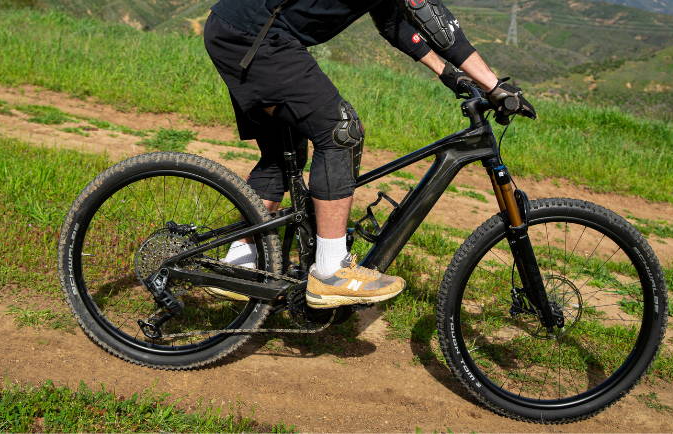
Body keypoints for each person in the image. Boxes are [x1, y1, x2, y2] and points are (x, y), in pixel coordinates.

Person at [203, 0, 536, 309]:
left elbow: (392, 21)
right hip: (258, 39)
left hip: (237, 30)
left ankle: (240, 261)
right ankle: (331, 272)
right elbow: (430, 16)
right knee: (341, 131)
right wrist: (494, 85)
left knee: (283, 153)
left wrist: (446, 72)